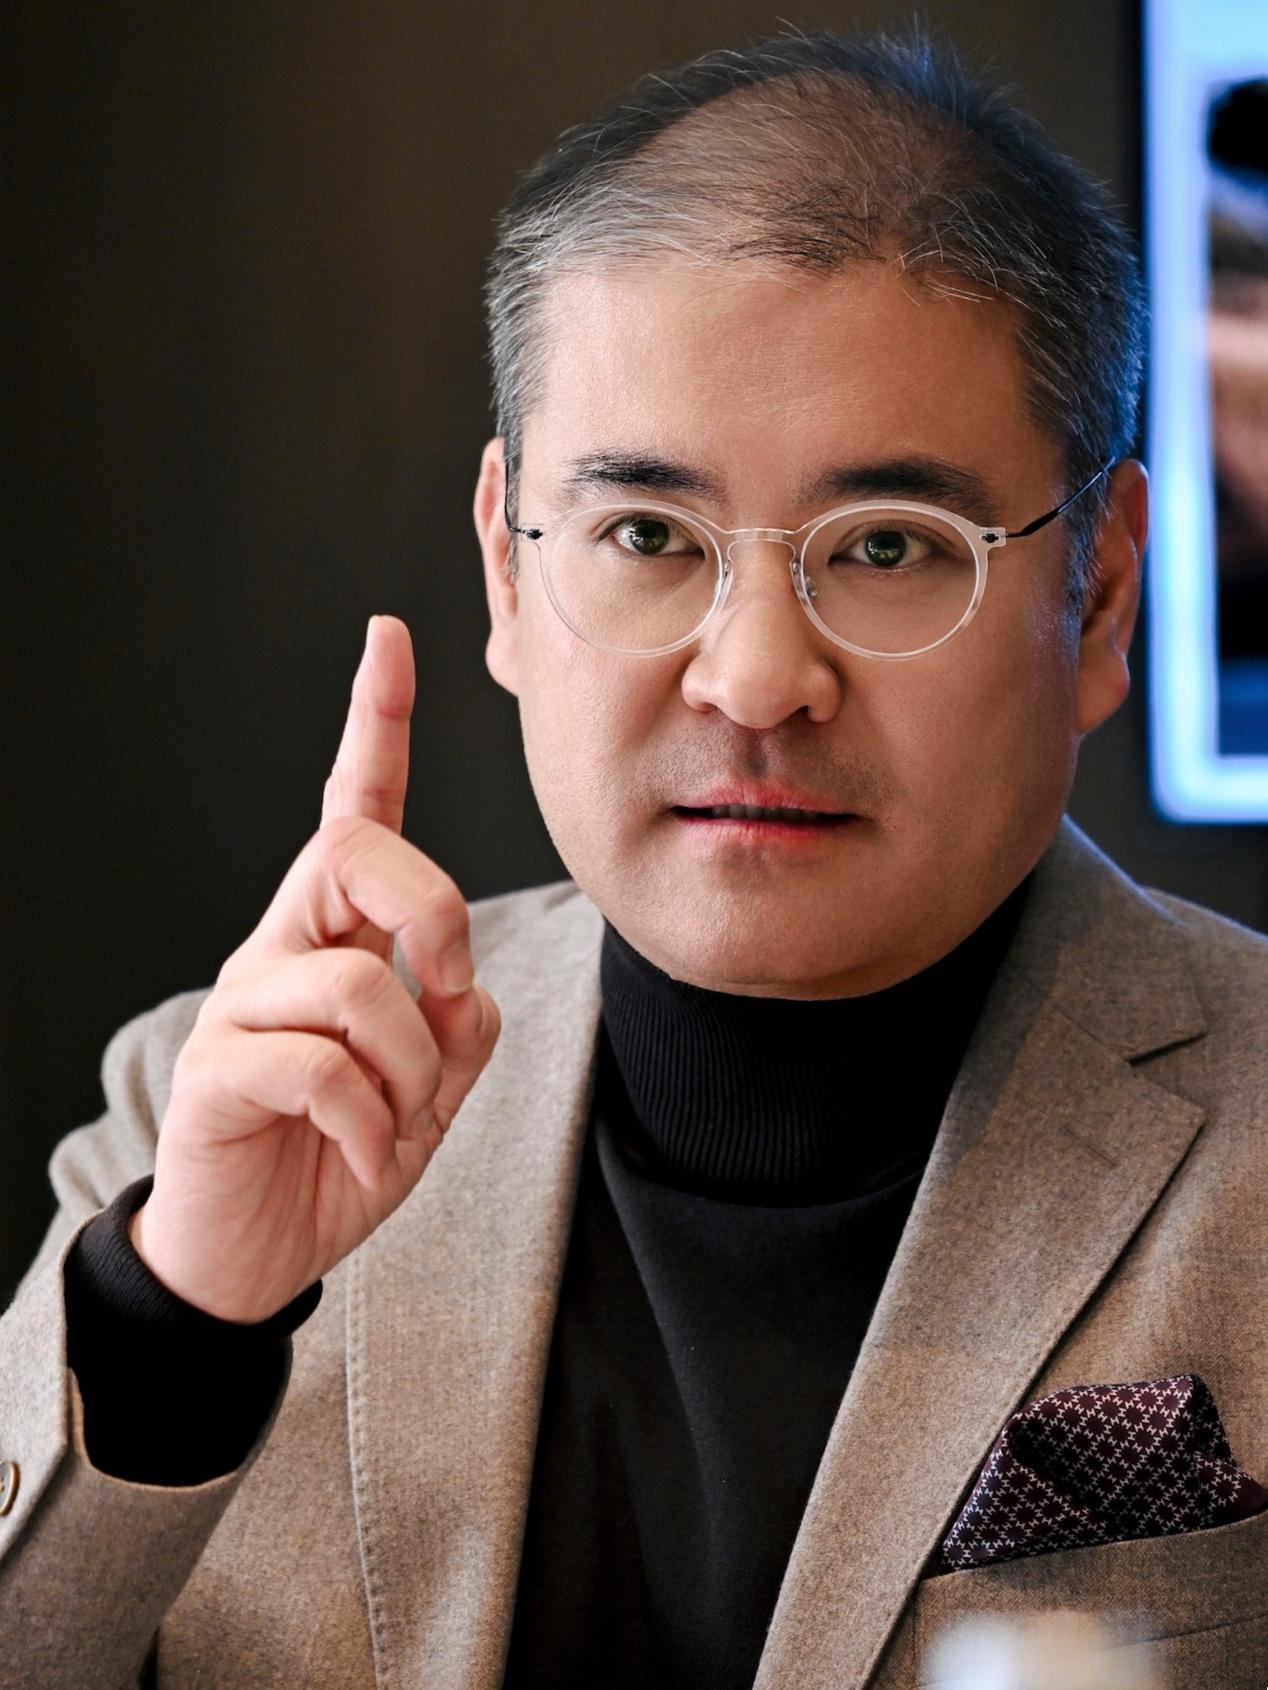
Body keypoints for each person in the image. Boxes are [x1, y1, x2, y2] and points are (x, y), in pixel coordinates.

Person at [1, 27, 1265, 1690]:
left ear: (1097, 596)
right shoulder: (205, 1117)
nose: (756, 679)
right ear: (508, 568)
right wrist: (174, 1322)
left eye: (890, 546)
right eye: (650, 535)